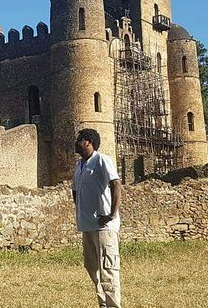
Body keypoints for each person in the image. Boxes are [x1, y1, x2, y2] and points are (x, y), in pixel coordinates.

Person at [71, 128, 122, 308]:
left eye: (79, 139)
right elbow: (75, 190)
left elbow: (116, 184)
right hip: (87, 225)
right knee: (93, 269)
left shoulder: (101, 160)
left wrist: (111, 214)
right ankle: (103, 305)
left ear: (88, 142)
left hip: (104, 227)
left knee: (108, 270)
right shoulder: (80, 166)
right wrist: (80, 210)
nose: (76, 143)